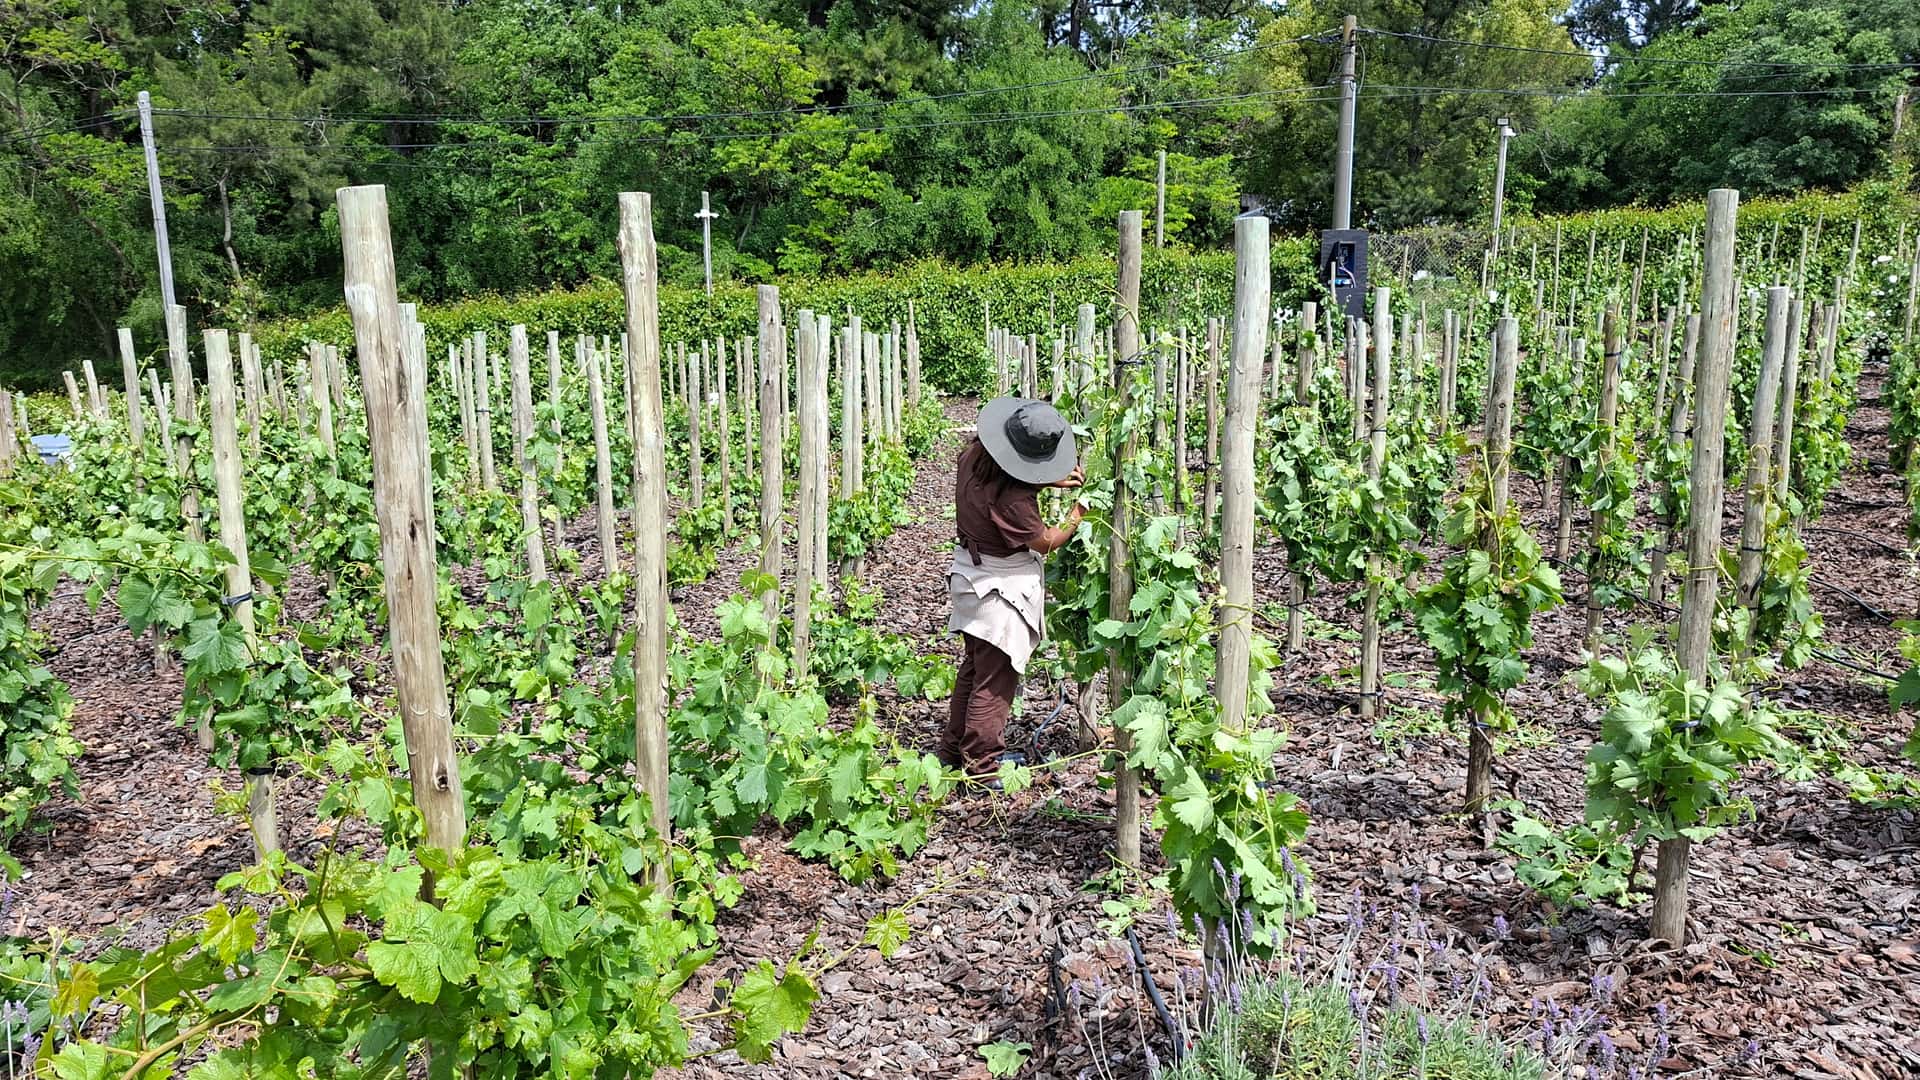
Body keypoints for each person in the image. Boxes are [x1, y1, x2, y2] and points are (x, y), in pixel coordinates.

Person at [941, 396, 1085, 779]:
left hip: (969, 578)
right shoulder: (1014, 502)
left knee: (975, 668)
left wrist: (1048, 479)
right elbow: (1046, 542)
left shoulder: (974, 456)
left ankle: (952, 751)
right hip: (998, 592)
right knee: (995, 683)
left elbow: (1007, 476)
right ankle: (982, 768)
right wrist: (1077, 514)